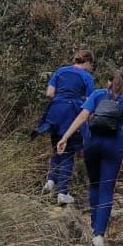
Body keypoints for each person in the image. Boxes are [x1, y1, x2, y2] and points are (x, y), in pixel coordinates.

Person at [56, 70, 123, 246]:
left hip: (92, 144)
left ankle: (94, 225)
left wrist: (65, 137)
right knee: (106, 189)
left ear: (108, 82)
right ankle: (99, 234)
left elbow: (82, 117)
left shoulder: (97, 94)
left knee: (94, 184)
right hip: (113, 146)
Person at [40, 50, 95, 205]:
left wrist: (61, 97)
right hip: (72, 114)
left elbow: (49, 93)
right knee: (69, 151)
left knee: (57, 147)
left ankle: (50, 181)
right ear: (88, 62)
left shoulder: (60, 71)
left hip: (54, 112)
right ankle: (63, 192)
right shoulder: (87, 77)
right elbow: (90, 103)